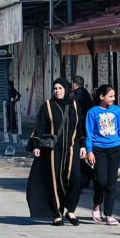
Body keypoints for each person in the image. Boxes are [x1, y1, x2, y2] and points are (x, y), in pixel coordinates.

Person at [26, 77, 85, 225]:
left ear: (66, 90)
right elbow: (40, 127)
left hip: (72, 148)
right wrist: (36, 146)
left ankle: (70, 210)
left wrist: (83, 145)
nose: (57, 91)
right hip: (54, 150)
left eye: (60, 88)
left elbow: (80, 128)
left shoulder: (74, 105)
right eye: (55, 88)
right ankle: (56, 213)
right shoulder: (47, 106)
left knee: (75, 179)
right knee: (55, 180)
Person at [85, 85, 120, 226]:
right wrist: (89, 151)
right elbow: (89, 133)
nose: (113, 99)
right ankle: (96, 205)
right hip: (98, 149)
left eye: (114, 96)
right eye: (110, 96)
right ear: (102, 97)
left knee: (111, 183)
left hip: (114, 149)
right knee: (101, 180)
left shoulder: (117, 111)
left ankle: (109, 214)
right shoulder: (93, 112)